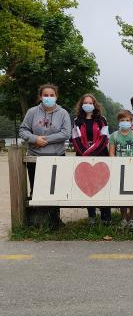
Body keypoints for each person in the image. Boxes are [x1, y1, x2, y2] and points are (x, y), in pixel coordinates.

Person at [19, 83, 71, 228]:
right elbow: (23, 130)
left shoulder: (63, 113)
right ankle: (36, 222)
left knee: (56, 190)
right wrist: (34, 139)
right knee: (36, 189)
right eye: (45, 95)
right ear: (40, 97)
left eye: (51, 95)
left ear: (56, 96)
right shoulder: (32, 112)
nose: (48, 98)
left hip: (57, 157)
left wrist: (43, 140)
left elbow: (65, 133)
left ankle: (55, 222)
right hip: (35, 157)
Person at [71, 93, 111, 225]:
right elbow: (75, 139)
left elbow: (104, 139)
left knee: (103, 185)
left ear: (95, 105)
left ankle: (106, 217)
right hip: (82, 156)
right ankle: (91, 216)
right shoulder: (77, 120)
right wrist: (85, 153)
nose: (88, 105)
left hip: (101, 155)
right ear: (82, 105)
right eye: (85, 103)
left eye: (90, 103)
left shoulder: (102, 120)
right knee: (87, 185)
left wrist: (91, 152)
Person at [109, 110, 133, 229]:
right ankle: (123, 218)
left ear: (131, 121)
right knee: (121, 195)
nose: (125, 122)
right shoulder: (113, 136)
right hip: (119, 170)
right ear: (119, 121)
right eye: (122, 120)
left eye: (127, 120)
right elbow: (112, 153)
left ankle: (132, 219)